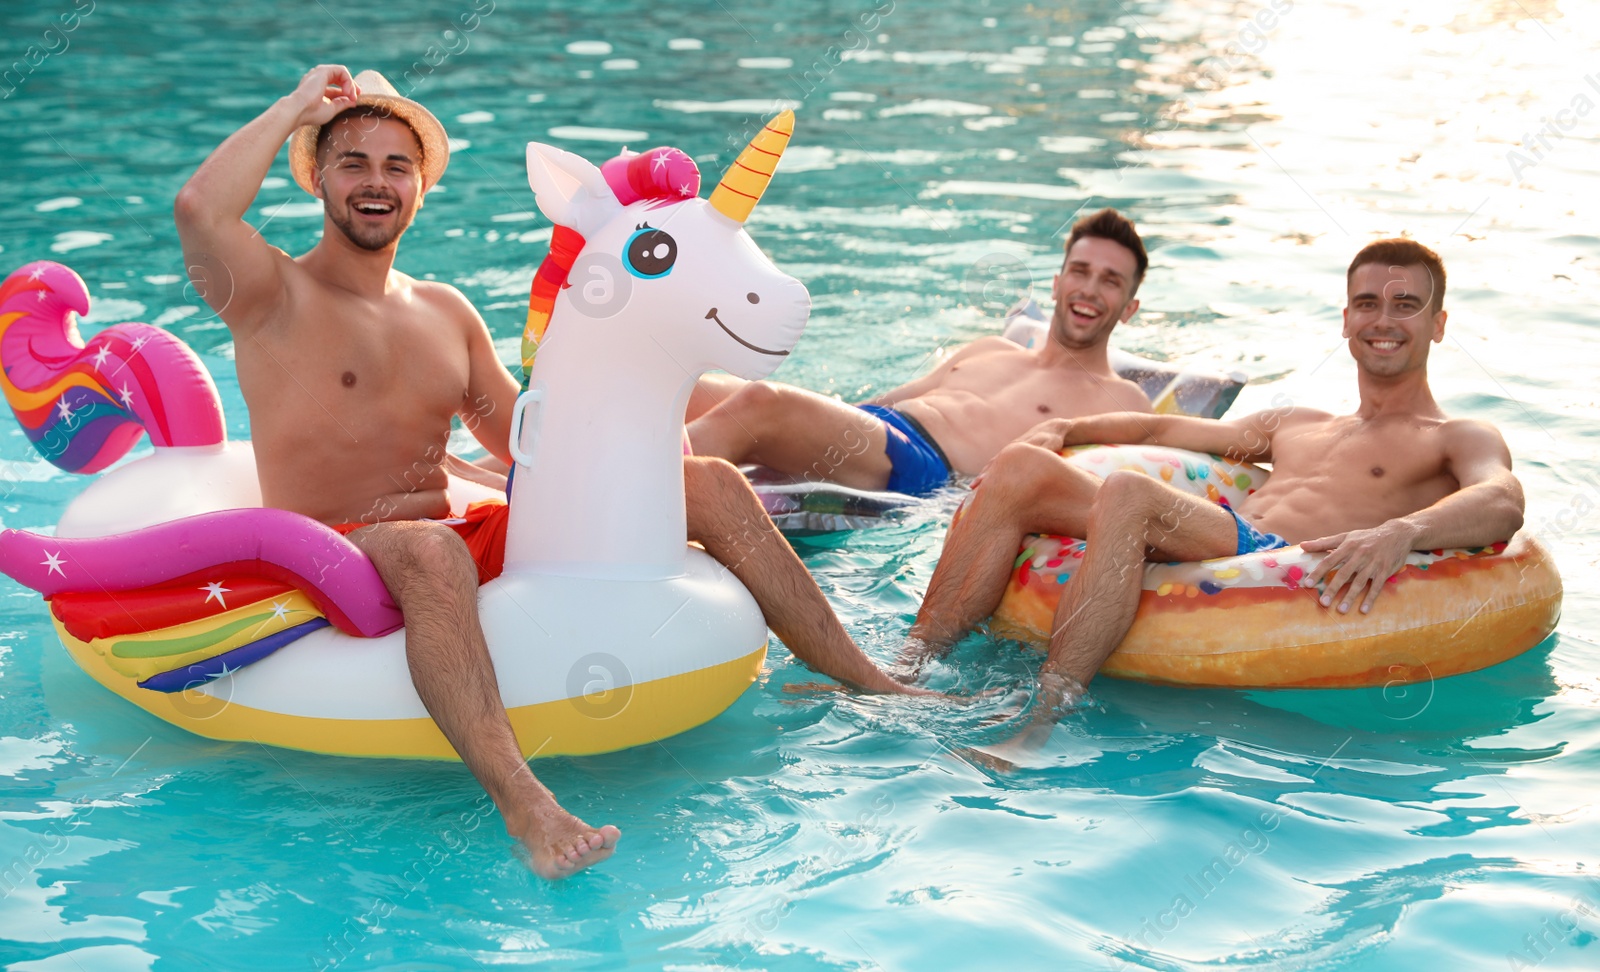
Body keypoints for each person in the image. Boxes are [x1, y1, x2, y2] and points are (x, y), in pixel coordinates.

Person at [174, 64, 923, 879]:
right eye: (353, 162)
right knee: (431, 551)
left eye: (398, 166)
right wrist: (294, 108)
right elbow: (199, 209)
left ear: (420, 187)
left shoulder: (444, 312)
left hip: (462, 528)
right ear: (316, 176)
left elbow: (525, 438)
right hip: (341, 547)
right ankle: (526, 807)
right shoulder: (269, 294)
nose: (376, 182)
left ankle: (866, 678)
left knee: (708, 482)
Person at [904, 238, 1526, 758]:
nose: (1382, 319)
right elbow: (1160, 430)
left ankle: (1040, 721)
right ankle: (909, 666)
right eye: (1367, 303)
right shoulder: (1299, 422)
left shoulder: (1455, 436)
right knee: (1019, 467)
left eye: (1406, 305)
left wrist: (1401, 532)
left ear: (1437, 325)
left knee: (1128, 493)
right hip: (1221, 531)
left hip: (1280, 561)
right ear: (1345, 320)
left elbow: (1502, 498)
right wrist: (1066, 429)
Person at [684, 209, 1155, 495]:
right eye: (1080, 271)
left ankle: (629, 508)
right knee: (692, 386)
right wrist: (813, 424)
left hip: (923, 465)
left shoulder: (1123, 398)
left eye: (1110, 281)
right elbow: (879, 406)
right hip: (873, 429)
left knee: (763, 403)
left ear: (1129, 308)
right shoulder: (992, 348)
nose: (1089, 289)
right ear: (1057, 283)